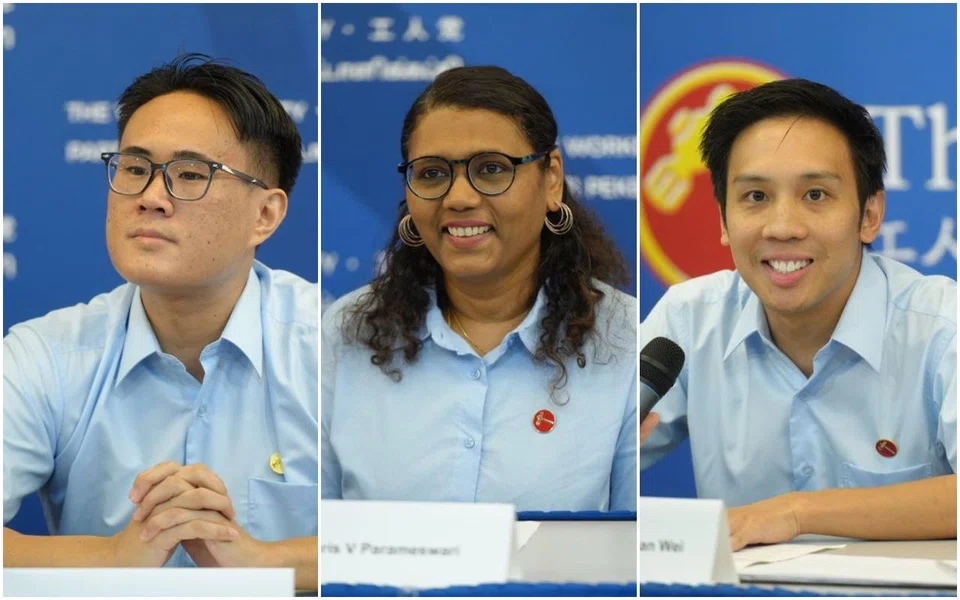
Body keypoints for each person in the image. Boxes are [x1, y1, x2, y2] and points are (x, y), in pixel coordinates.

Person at [3, 54, 318, 589]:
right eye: (134, 168)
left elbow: (419, 536)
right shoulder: (46, 356)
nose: (150, 198)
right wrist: (114, 559)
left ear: (265, 214)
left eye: (190, 174)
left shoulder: (334, 349)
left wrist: (261, 562)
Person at [640, 78, 956, 550]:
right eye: (755, 197)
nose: (783, 227)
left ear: (869, 215)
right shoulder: (690, 320)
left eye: (815, 196)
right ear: (724, 222)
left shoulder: (941, 326)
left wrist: (794, 514)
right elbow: (587, 464)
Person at [322, 66, 637, 511]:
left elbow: (628, 556)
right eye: (432, 174)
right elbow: (315, 546)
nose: (459, 198)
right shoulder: (345, 333)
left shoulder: (624, 337)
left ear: (551, 179)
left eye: (491, 169)